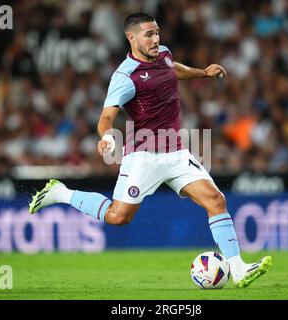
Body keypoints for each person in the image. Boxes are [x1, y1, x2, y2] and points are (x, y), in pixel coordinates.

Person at [29, 12, 271, 288]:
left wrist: (202, 72)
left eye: (157, 33)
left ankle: (238, 268)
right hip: (143, 157)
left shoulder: (164, 54)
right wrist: (107, 137)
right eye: (149, 34)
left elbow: (172, 68)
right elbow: (106, 117)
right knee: (118, 218)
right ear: (131, 37)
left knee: (216, 201)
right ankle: (60, 192)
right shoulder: (125, 76)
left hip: (176, 153)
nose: (156, 39)